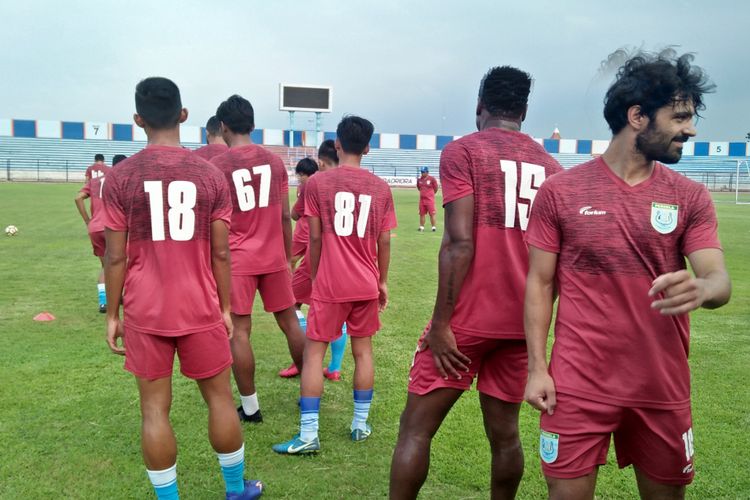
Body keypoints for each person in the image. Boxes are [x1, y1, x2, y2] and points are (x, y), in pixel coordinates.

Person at [524, 53, 731, 499]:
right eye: (679, 117)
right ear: (637, 116)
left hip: (660, 385)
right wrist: (538, 369)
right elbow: (540, 284)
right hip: (577, 385)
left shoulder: (690, 197)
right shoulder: (561, 192)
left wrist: (703, 287)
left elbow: (718, 279)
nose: (690, 130)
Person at [389, 66, 563, 499]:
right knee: (504, 435)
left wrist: (441, 323)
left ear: (479, 107)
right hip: (521, 324)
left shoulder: (463, 152)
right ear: (523, 110)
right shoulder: (552, 167)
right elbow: (557, 262)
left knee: (415, 431)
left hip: (465, 321)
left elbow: (459, 243)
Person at [101, 77, 262, 499]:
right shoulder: (209, 175)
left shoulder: (120, 178)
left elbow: (114, 257)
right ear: (184, 116)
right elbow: (222, 254)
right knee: (220, 400)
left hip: (145, 309)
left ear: (138, 120)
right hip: (200, 306)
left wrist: (114, 313)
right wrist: (226, 308)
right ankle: (235, 490)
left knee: (154, 409)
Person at [273, 115, 396, 454]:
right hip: (365, 283)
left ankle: (309, 435)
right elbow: (384, 242)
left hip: (329, 283)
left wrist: (315, 277)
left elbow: (314, 238)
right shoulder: (381, 188)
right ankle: (359, 425)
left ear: (338, 144)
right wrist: (382, 281)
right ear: (368, 148)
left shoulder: (317, 184)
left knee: (314, 355)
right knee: (363, 351)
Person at [210, 94, 305, 423]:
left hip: (238, 259)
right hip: (274, 255)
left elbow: (215, 223)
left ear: (223, 127)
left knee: (239, 331)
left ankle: (250, 407)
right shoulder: (275, 162)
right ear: (251, 124)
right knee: (290, 322)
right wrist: (289, 256)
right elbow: (283, 216)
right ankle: (310, 391)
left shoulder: (218, 166)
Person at [280, 141, 349, 381]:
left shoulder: (314, 184)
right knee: (338, 313)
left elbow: (296, 213)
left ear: (321, 161)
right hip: (346, 261)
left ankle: (302, 362)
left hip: (317, 255)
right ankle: (335, 367)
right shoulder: (356, 183)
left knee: (291, 305)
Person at [416, 166, 438, 232]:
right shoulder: (419, 180)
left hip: (430, 200)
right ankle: (421, 227)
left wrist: (430, 194)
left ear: (427, 172)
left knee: (432, 213)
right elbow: (418, 188)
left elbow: (436, 188)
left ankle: (433, 227)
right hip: (422, 200)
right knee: (421, 214)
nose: (422, 173)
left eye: (423, 172)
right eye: (421, 172)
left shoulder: (432, 179)